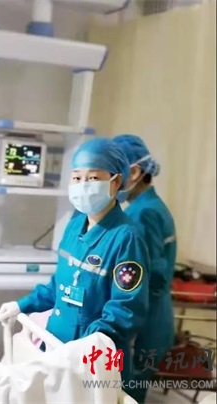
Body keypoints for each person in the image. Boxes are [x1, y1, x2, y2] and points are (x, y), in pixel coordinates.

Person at [0, 137, 150, 388]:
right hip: (55, 348)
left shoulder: (126, 238)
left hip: (91, 361)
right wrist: (22, 305)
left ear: (116, 182)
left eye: (93, 178)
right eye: (77, 178)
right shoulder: (75, 226)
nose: (83, 185)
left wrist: (84, 346)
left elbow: (126, 309)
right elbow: (59, 286)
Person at [112, 134, 177, 403]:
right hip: (150, 318)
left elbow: (154, 277)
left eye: (114, 174)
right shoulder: (148, 207)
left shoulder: (143, 213)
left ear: (135, 172)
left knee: (128, 393)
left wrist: (131, 319)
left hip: (144, 324)